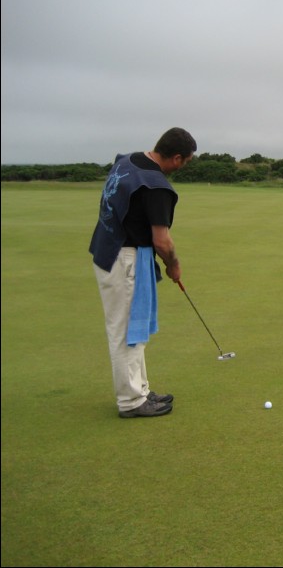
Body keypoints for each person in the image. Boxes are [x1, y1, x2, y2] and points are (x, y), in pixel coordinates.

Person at [89, 127, 197, 418]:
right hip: (124, 259)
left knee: (133, 328)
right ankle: (131, 401)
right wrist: (173, 265)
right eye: (185, 161)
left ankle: (140, 389)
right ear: (176, 158)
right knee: (126, 332)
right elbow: (162, 241)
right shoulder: (157, 186)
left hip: (106, 249)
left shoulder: (128, 160)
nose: (183, 166)